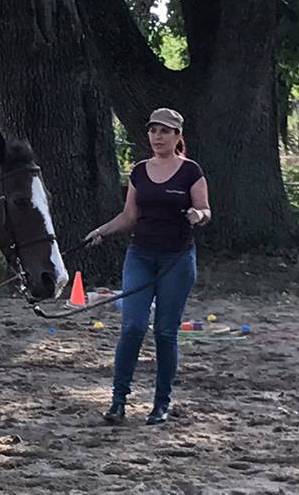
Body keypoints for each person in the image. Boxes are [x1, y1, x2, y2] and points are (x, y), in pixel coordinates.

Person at [86, 107, 210, 425]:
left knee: (166, 332)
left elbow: (205, 209)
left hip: (177, 260)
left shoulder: (190, 171)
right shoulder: (139, 171)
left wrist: (197, 215)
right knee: (132, 327)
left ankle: (160, 403)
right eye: (154, 130)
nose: (157, 136)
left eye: (165, 131)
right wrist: (101, 231)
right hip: (140, 255)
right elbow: (129, 217)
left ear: (177, 137)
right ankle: (118, 401)